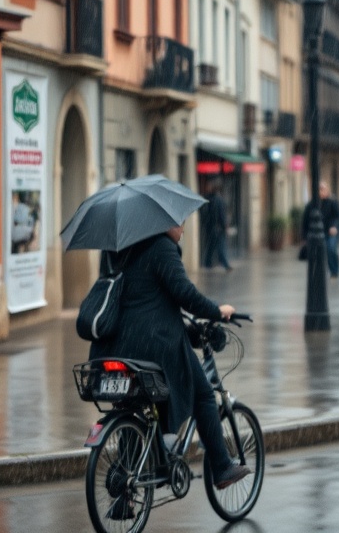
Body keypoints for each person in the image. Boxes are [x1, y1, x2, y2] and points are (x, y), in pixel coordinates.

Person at [88, 222, 251, 510]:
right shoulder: (161, 248)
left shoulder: (121, 250)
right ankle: (223, 467)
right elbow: (184, 294)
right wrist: (218, 311)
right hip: (153, 344)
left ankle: (126, 496)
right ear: (162, 222)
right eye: (181, 222)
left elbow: (151, 300)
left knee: (130, 408)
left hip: (116, 344)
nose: (184, 228)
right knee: (202, 392)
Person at [301, 181, 339, 278]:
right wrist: (304, 237)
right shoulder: (311, 205)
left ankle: (334, 271)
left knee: (331, 248)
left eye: (323, 189)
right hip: (317, 233)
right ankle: (319, 272)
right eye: (319, 189)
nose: (321, 191)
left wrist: (335, 227)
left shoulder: (333, 202)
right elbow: (305, 221)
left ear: (327, 190)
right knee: (317, 253)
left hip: (331, 232)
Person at [202, 181, 232, 272]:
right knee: (220, 246)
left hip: (211, 227)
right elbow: (221, 215)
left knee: (211, 246)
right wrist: (225, 226)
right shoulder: (219, 200)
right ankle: (225, 264)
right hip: (218, 228)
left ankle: (208, 263)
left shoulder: (208, 199)